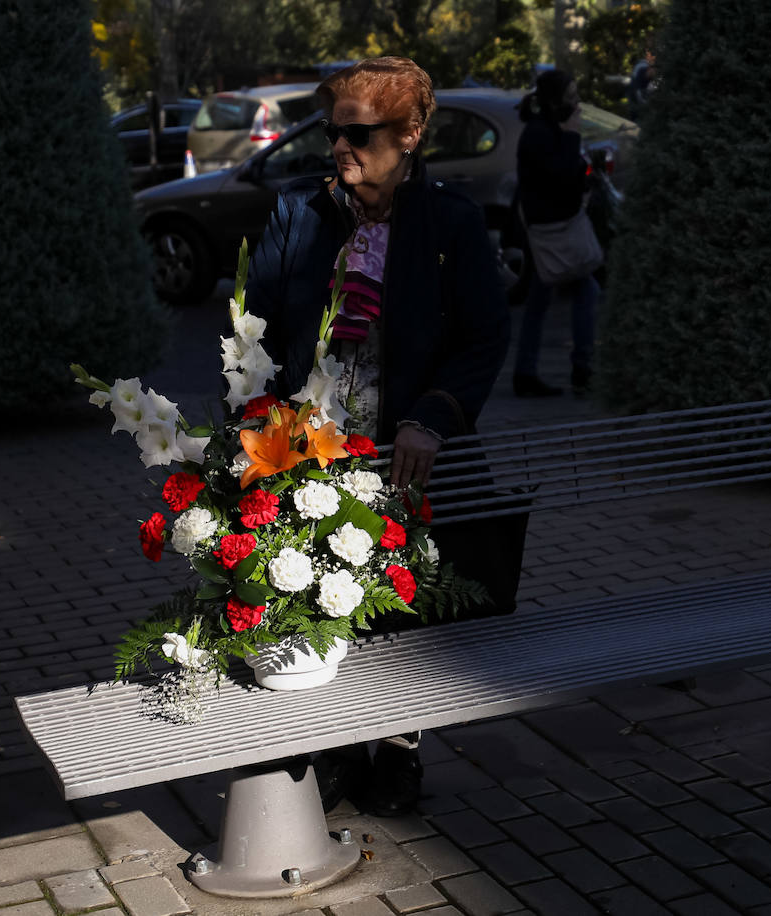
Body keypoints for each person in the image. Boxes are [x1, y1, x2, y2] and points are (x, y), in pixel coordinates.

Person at [244, 57, 510, 816]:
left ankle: (397, 748)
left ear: (411, 136)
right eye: (334, 131)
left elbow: (486, 338)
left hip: (403, 453)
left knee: (400, 606)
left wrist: (433, 415)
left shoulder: (450, 222)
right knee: (314, 590)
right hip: (311, 450)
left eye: (358, 132)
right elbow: (253, 324)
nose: (339, 146)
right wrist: (259, 418)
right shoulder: (300, 215)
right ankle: (331, 746)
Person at [512, 69, 601, 397]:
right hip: (550, 232)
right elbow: (561, 177)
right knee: (575, 292)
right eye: (571, 96)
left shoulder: (549, 130)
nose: (577, 103)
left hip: (551, 229)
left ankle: (530, 370)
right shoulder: (542, 133)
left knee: (547, 297)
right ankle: (577, 366)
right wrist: (572, 136)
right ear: (556, 100)